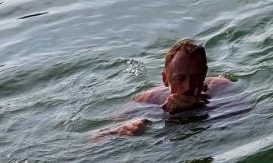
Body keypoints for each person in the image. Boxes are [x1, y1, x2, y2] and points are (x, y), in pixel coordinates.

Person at [96, 39, 234, 139]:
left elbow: (241, 113)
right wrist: (131, 125)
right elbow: (105, 132)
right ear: (165, 79)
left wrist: (199, 107)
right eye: (180, 79)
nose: (188, 86)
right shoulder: (148, 98)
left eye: (195, 77)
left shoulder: (220, 86)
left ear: (204, 74)